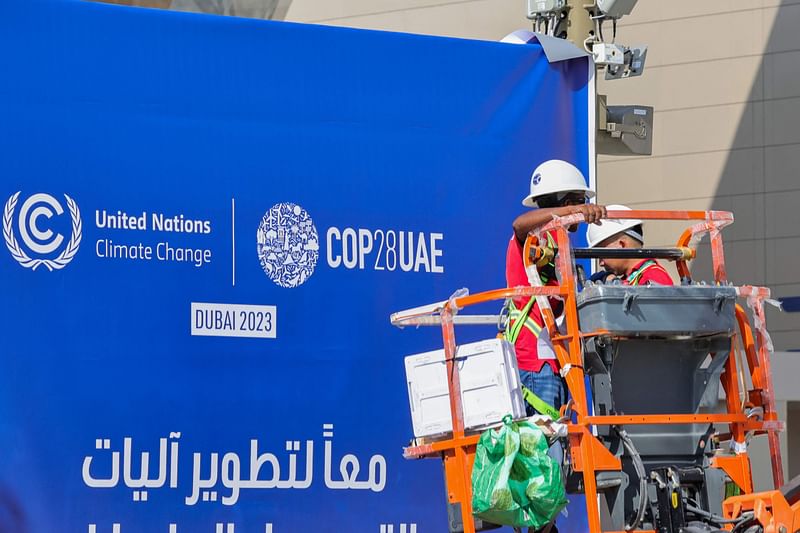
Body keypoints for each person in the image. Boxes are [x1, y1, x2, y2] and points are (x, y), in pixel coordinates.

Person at [506, 159, 606, 419]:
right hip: (536, 363)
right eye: (580, 200)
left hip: (553, 359)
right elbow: (518, 224)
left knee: (558, 452)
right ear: (565, 202)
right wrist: (574, 211)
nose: (584, 209)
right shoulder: (535, 236)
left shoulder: (557, 240)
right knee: (547, 454)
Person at [585, 204, 674, 286]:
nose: (601, 263)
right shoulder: (631, 279)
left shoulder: (654, 276)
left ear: (622, 244)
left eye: (602, 254)